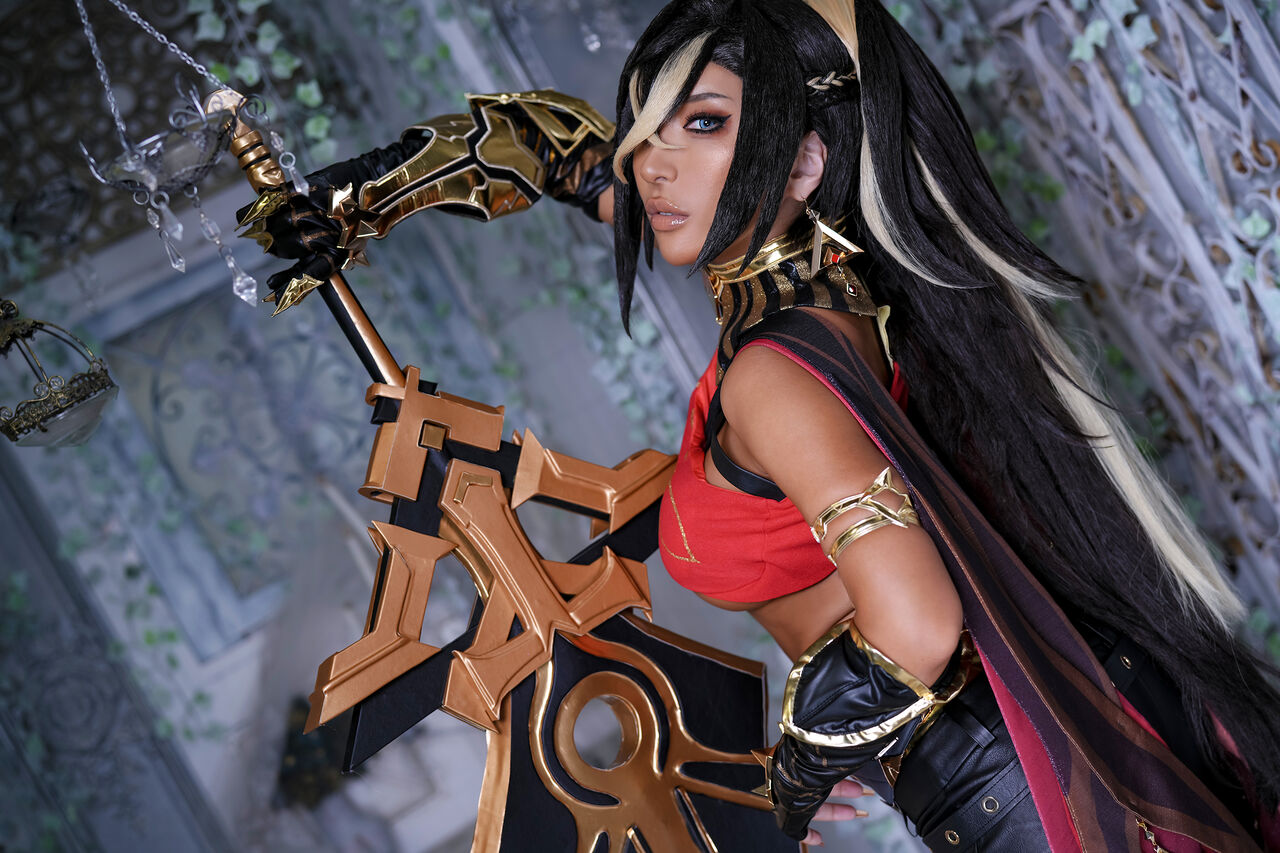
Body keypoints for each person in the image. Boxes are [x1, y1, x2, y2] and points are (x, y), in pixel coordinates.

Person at [239, 0, 1280, 849]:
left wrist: (788, 773)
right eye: (649, 129)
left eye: (701, 125)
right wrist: (361, 196)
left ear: (803, 163)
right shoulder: (835, 286)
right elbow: (564, 158)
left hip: (1014, 791)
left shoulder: (772, 377)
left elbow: (916, 627)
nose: (652, 163)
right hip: (1008, 759)